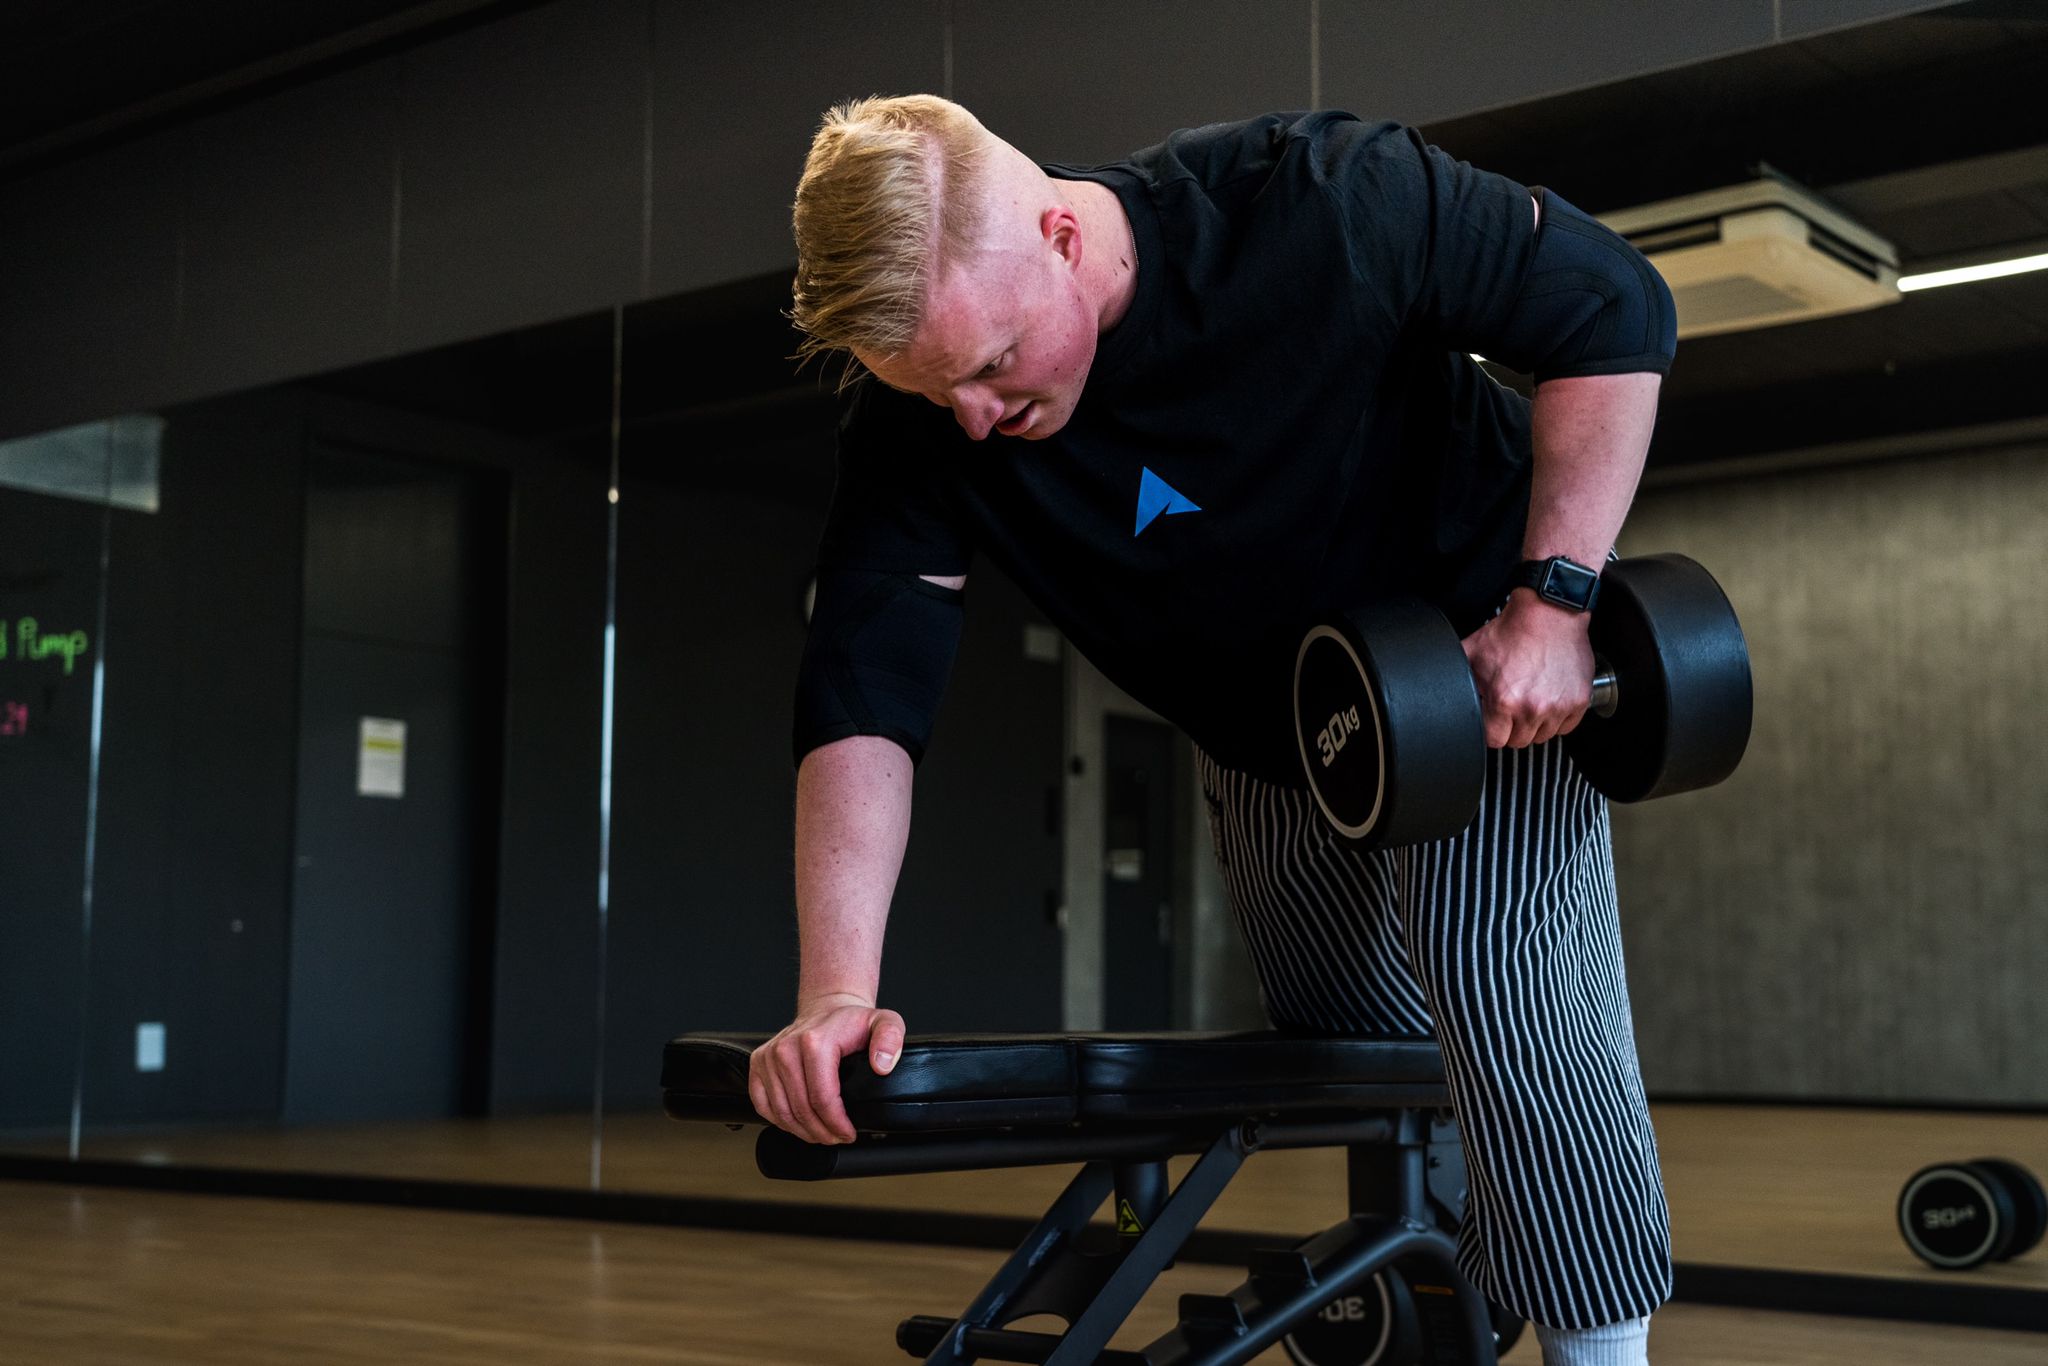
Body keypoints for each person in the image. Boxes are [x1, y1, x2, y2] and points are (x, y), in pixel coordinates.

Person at [749, 93, 1677, 1366]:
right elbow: (864, 685)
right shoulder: (920, 423)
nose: (968, 417)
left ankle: (1596, 1353)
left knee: (1508, 994)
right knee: (1352, 1052)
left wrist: (1554, 604)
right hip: (1268, 734)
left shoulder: (1320, 200)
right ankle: (1441, 1289)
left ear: (1061, 236)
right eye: (932, 389)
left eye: (990, 363)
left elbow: (1613, 306)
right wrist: (835, 991)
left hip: (1475, 671)